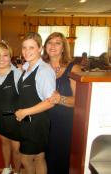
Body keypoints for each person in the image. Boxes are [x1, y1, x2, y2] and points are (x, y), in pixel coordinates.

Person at [15, 32, 56, 174]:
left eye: (31, 47)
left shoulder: (44, 70)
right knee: (39, 157)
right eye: (24, 47)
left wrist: (24, 112)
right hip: (28, 122)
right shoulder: (26, 67)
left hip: (37, 124)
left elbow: (50, 102)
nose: (27, 51)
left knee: (25, 159)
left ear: (40, 49)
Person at [42, 32, 81, 174]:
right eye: (50, 42)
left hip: (64, 123)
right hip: (43, 120)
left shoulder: (73, 69)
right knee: (43, 159)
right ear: (45, 46)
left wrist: (60, 99)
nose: (53, 46)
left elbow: (80, 101)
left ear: (64, 47)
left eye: (57, 43)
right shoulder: (40, 66)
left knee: (61, 160)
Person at [0, 41, 22, 174]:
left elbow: (24, 98)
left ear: (10, 57)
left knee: (16, 148)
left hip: (14, 119)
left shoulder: (17, 74)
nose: (1, 59)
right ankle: (7, 167)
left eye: (5, 55)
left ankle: (18, 171)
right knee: (4, 143)